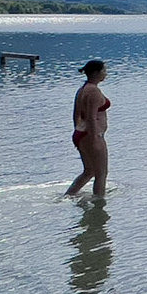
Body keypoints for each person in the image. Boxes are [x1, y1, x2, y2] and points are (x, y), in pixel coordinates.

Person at [65, 59, 110, 200]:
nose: (106, 74)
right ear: (96, 73)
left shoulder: (82, 89)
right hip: (92, 134)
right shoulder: (94, 91)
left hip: (80, 133)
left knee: (89, 171)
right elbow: (90, 117)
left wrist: (77, 133)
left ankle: (68, 195)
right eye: (104, 70)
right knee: (101, 173)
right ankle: (99, 202)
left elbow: (76, 114)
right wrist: (95, 138)